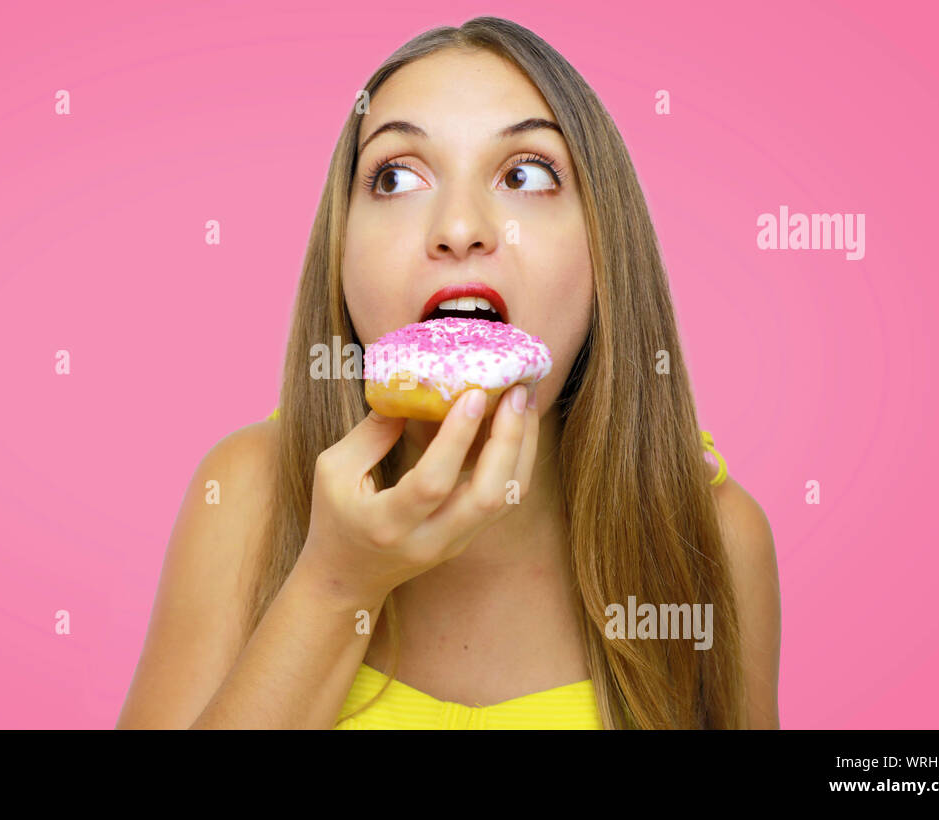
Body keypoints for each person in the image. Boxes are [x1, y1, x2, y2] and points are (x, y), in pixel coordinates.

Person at [118, 16, 780, 730]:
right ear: (340, 256)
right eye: (397, 176)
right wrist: (337, 585)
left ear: (603, 251)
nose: (460, 225)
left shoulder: (712, 533)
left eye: (525, 174)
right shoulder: (246, 491)